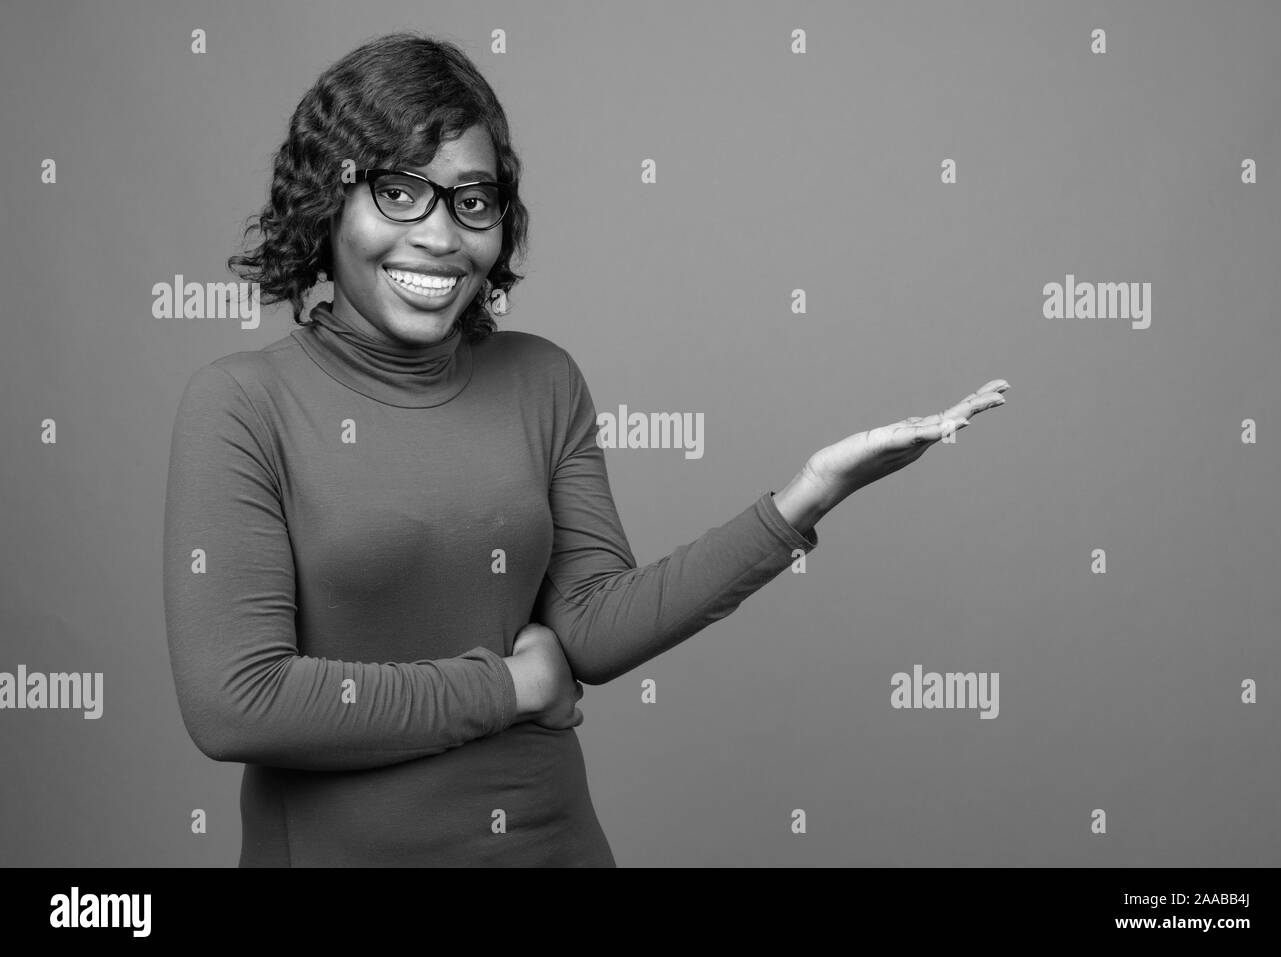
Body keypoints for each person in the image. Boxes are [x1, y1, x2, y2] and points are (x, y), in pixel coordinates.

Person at [162, 31, 1009, 867]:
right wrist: (512, 687)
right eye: (398, 194)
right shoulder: (242, 404)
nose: (440, 235)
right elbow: (240, 702)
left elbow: (594, 626)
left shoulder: (541, 379)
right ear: (329, 201)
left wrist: (807, 497)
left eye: (473, 201)